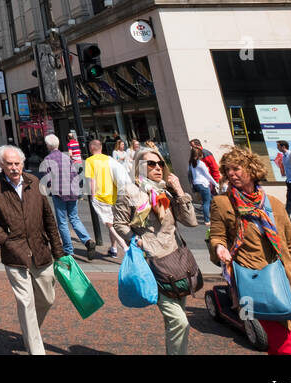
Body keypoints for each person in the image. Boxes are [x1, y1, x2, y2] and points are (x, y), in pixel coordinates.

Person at [208, 146, 291, 355]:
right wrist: (219, 248)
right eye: (228, 170)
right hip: (248, 276)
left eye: (236, 168)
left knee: (284, 332)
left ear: (251, 169)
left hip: (282, 274)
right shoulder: (222, 203)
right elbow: (217, 235)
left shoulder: (274, 203)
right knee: (280, 337)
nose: (231, 174)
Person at [0, 146, 64, 355]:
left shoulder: (34, 182)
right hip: (14, 252)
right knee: (25, 302)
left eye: (17, 163)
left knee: (47, 298)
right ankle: (36, 350)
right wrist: (3, 240)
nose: (14, 168)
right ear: (1, 165)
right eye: (9, 164)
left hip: (40, 249)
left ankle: (29, 331)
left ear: (23, 164)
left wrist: (58, 250)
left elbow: (48, 216)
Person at [114, 149, 198, 354]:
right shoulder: (130, 192)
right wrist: (139, 241)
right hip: (154, 264)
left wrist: (179, 191)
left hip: (177, 260)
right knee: (180, 322)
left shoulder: (166, 192)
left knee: (175, 323)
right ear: (139, 167)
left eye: (160, 163)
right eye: (151, 164)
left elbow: (191, 221)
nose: (157, 167)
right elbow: (119, 224)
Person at [38, 134, 95, 259]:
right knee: (74, 218)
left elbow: (46, 180)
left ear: (48, 145)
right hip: (72, 191)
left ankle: (68, 249)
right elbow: (75, 173)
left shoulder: (47, 160)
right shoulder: (66, 157)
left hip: (59, 192)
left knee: (62, 221)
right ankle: (87, 240)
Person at [82, 139, 127, 257]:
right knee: (111, 222)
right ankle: (114, 248)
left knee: (109, 224)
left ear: (91, 148)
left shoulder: (89, 161)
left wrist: (92, 196)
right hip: (113, 194)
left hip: (100, 196)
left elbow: (92, 180)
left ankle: (124, 245)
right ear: (101, 147)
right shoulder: (109, 159)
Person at [188, 146, 215, 225]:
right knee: (206, 202)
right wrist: (215, 183)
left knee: (210, 200)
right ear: (199, 155)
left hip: (197, 184)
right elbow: (208, 175)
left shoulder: (191, 163)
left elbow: (191, 175)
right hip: (203, 184)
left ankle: (213, 216)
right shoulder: (201, 163)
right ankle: (207, 220)